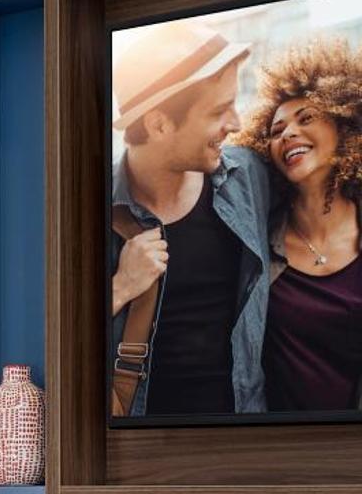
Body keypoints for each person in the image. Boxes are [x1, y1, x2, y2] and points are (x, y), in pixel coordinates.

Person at [108, 21, 273, 416]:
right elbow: (46, 345)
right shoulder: (82, 209)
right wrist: (119, 288)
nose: (235, 123)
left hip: (246, 441)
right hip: (140, 455)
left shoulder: (248, 176)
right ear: (159, 123)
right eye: (219, 110)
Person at [236, 36, 362, 413]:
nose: (288, 133)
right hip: (280, 453)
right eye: (276, 131)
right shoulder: (253, 245)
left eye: (306, 119)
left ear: (344, 128)